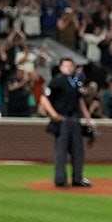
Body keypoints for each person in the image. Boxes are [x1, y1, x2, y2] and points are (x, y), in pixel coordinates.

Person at [39, 57, 94, 188]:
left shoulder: (76, 81)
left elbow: (80, 101)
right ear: (61, 67)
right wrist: (53, 114)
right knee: (61, 150)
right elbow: (44, 98)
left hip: (75, 118)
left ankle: (77, 178)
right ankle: (60, 179)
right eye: (66, 66)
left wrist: (88, 118)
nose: (68, 68)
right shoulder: (57, 80)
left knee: (78, 150)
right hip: (62, 119)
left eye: (70, 66)